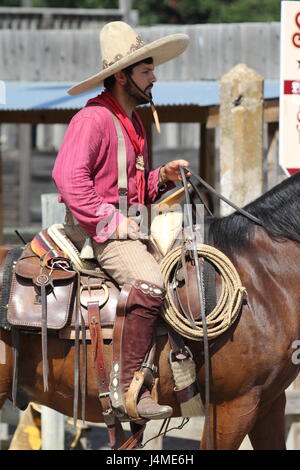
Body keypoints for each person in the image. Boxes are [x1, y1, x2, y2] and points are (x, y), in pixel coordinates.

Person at [52, 21, 189, 421]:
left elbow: (129, 190)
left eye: (151, 70)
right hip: (96, 232)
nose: (153, 77)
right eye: (146, 71)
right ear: (121, 75)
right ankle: (129, 390)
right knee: (151, 283)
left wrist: (159, 178)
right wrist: (112, 222)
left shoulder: (132, 122)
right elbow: (68, 177)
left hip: (127, 226)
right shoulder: (92, 119)